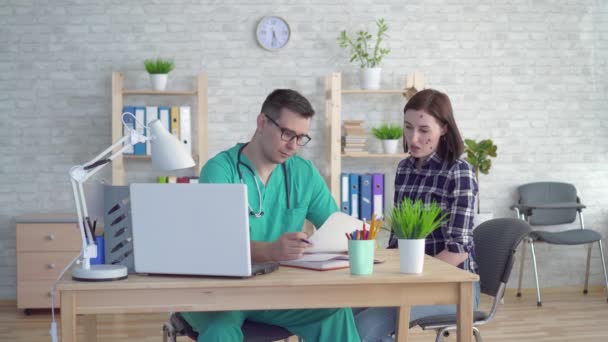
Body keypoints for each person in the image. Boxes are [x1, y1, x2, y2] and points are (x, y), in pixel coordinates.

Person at [181, 89, 361, 341]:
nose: (293, 146)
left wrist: (347, 244)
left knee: (333, 313)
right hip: (220, 292)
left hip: (274, 291)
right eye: (287, 134)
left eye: (301, 138)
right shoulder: (220, 171)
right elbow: (216, 246)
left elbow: (335, 227)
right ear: (262, 122)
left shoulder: (303, 173)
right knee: (221, 331)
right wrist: (270, 251)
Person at [353, 89, 480, 341]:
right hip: (406, 279)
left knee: (365, 327)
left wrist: (410, 281)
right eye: (408, 127)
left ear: (443, 128)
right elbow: (398, 239)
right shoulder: (404, 168)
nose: (413, 138)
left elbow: (458, 250)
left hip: (452, 287)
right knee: (340, 314)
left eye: (424, 130)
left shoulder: (459, 171)